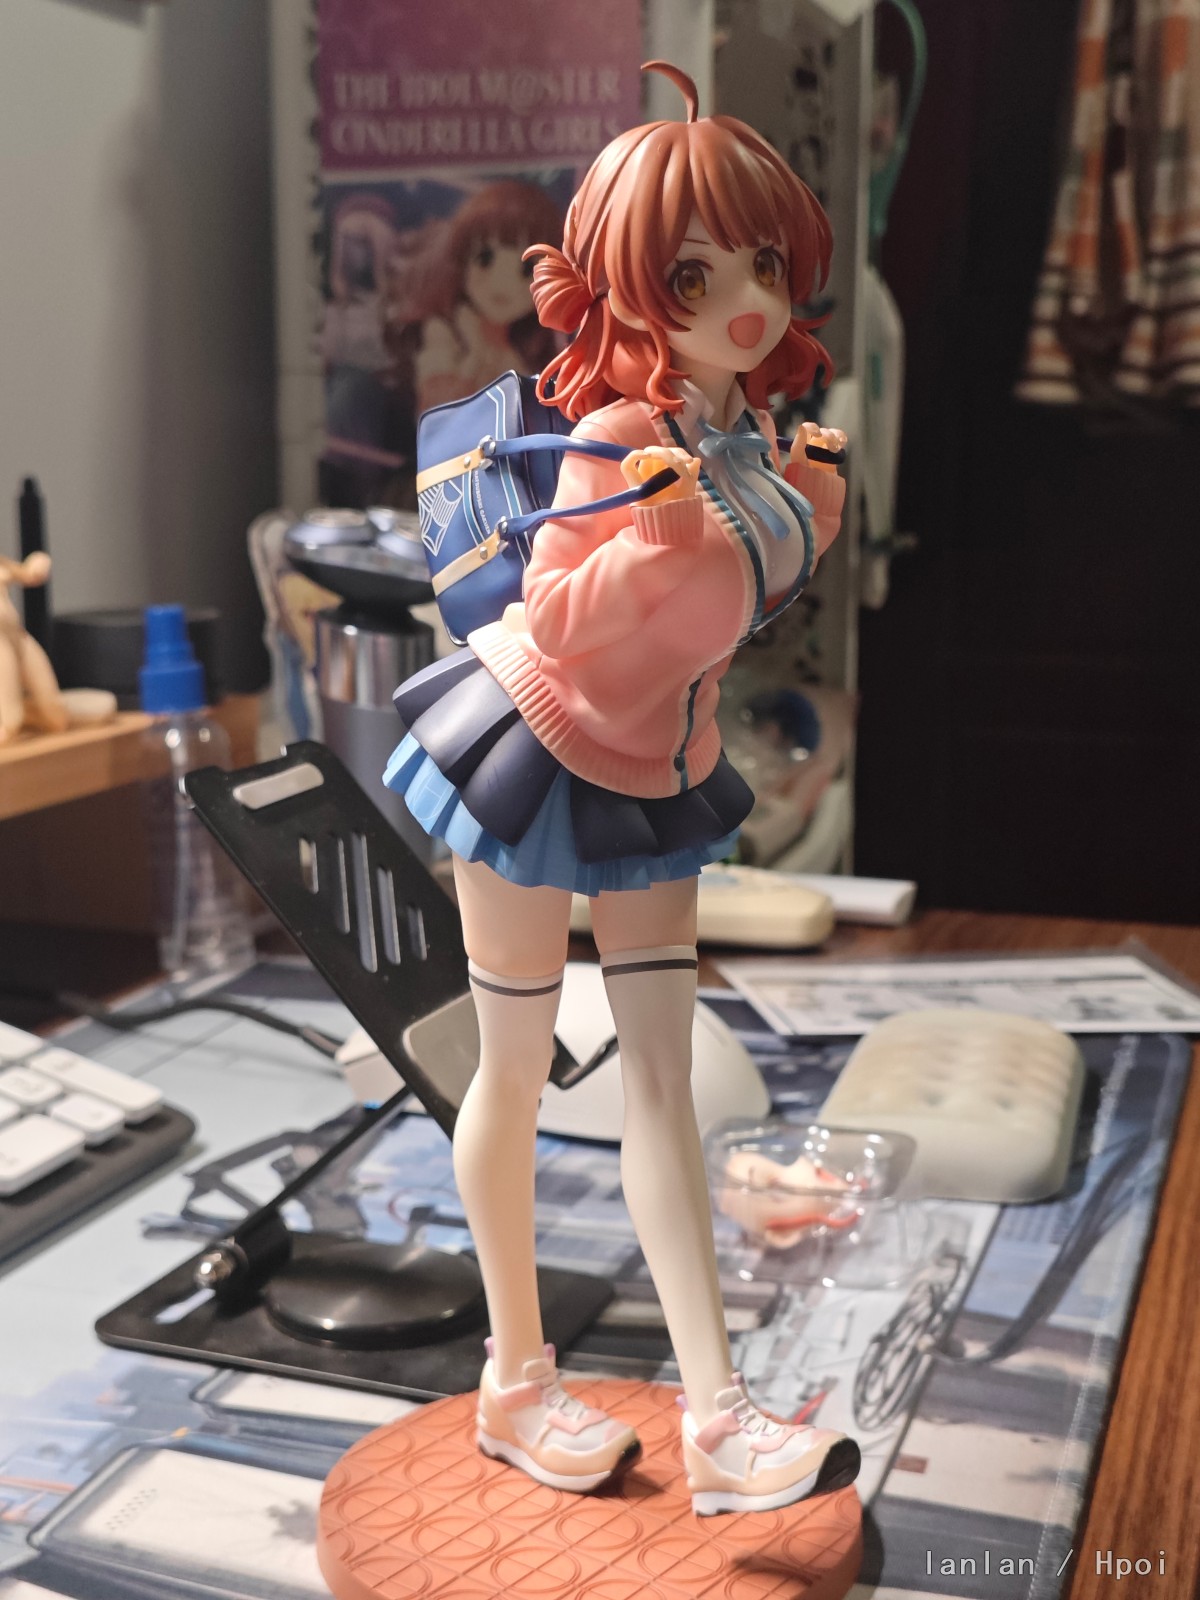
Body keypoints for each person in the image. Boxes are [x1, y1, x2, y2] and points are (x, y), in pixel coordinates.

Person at [385, 61, 857, 1517]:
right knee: (515, 1069)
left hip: (661, 764)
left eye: (762, 261)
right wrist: (653, 540)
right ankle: (515, 1380)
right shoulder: (617, 440)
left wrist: (803, 511)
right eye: (696, 272)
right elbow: (563, 617)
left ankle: (718, 1415)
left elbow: (734, 608)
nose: (746, 300)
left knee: (663, 1079)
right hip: (532, 749)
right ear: (630, 287)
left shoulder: (744, 442)